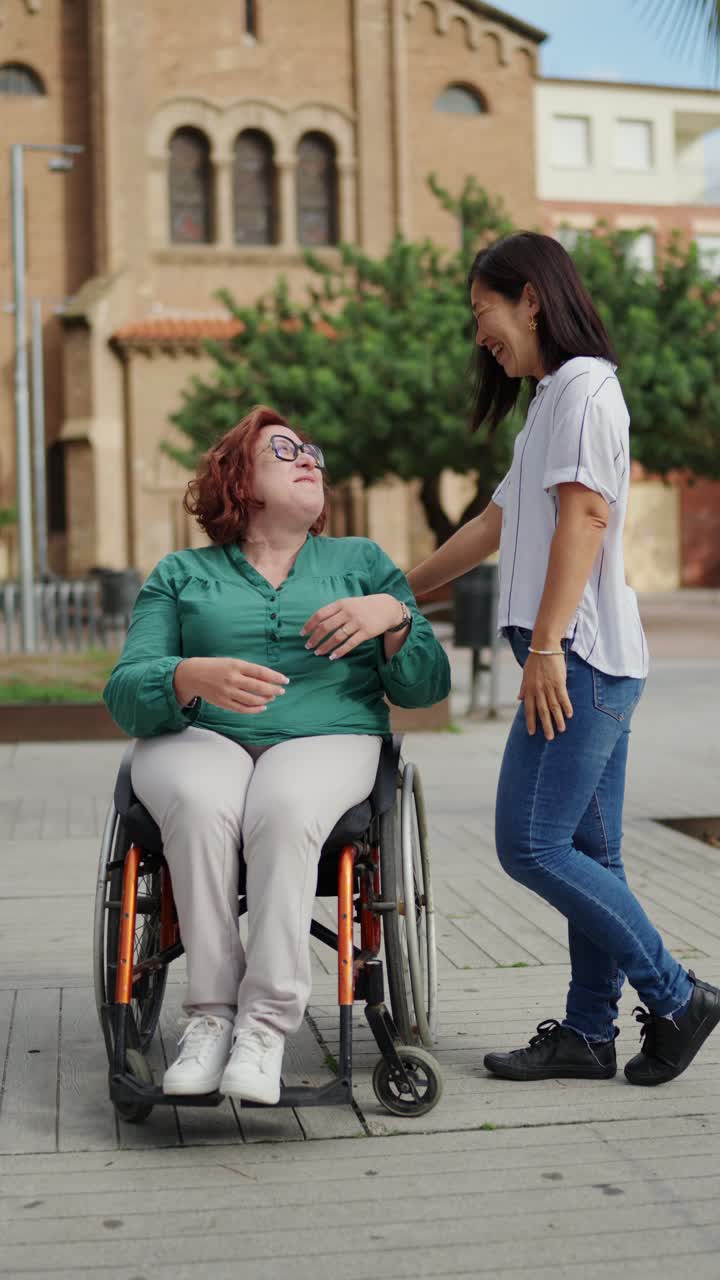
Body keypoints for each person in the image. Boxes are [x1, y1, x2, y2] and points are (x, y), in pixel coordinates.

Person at [408, 232, 720, 1087]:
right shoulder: (553, 397)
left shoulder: (584, 389)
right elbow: (493, 526)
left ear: (531, 299)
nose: (480, 334)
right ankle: (588, 1034)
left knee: (531, 846)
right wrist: (402, 592)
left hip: (576, 659)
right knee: (592, 856)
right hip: (588, 658)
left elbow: (583, 520)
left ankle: (678, 993)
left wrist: (545, 647)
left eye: (484, 312)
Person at [104, 405, 450, 1104]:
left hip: (330, 735)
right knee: (202, 802)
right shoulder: (180, 574)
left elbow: (424, 685)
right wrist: (184, 677)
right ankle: (209, 1019)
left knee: (285, 804)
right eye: (285, 450)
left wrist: (395, 616)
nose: (310, 459)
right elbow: (123, 693)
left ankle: (263, 1027)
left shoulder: (362, 564)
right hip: (199, 735)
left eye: (313, 451)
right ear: (239, 480)